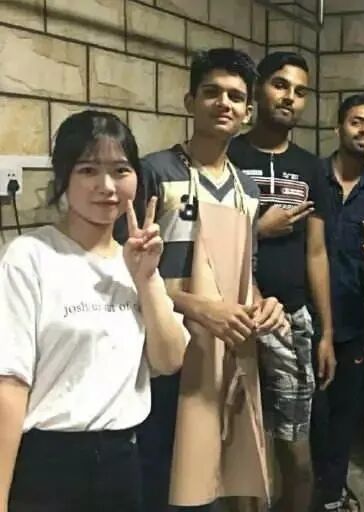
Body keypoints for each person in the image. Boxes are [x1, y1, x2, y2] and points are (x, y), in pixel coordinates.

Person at [118, 48, 286, 512]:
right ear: (190, 101)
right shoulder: (154, 173)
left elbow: (245, 274)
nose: (224, 103)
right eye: (212, 92)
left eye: (235, 96)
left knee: (210, 481)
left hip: (220, 354)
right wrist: (196, 306)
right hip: (161, 353)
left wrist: (262, 304)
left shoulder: (246, 189)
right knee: (160, 480)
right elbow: (122, 270)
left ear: (248, 112)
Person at [0, 110, 188, 512]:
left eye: (121, 170)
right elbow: (9, 385)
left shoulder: (135, 262)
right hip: (47, 466)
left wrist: (147, 279)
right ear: (63, 178)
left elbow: (170, 360)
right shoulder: (29, 257)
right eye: (88, 170)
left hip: (124, 461)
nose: (106, 186)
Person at [228, 51, 335, 512]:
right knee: (241, 449)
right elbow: (207, 240)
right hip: (236, 317)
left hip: (292, 320)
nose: (290, 97)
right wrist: (259, 229)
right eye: (280, 85)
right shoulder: (230, 154)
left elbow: (317, 251)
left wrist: (326, 332)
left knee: (297, 451)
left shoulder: (311, 168)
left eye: (299, 91)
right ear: (258, 90)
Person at [310, 93, 364, 512]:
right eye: (357, 121)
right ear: (338, 127)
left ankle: (332, 496)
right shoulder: (310, 177)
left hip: (350, 326)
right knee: (308, 419)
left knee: (342, 417)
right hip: (302, 320)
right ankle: (301, 493)